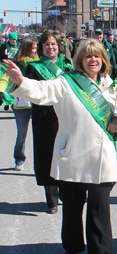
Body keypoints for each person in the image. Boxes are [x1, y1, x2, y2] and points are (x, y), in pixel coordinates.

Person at [2, 38, 117, 254]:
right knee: (73, 209)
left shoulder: (111, 85)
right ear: (80, 60)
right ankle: (73, 245)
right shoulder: (67, 82)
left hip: (102, 160)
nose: (93, 60)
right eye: (87, 56)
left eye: (97, 56)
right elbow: (43, 92)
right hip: (72, 156)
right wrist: (20, 81)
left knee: (99, 213)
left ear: (103, 60)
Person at [24, 30, 74, 214]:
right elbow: (31, 92)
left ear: (58, 46)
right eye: (46, 44)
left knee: (66, 153)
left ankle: (66, 191)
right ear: (41, 48)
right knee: (47, 155)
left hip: (66, 116)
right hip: (45, 118)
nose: (50, 47)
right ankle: (51, 198)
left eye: (53, 44)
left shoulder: (68, 65)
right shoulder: (34, 67)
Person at [0, 38, 38, 171]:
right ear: (27, 49)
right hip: (21, 105)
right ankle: (19, 159)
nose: (35, 51)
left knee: (40, 136)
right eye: (33, 48)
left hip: (38, 105)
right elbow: (5, 78)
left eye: (36, 48)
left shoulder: (38, 63)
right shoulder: (17, 64)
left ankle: (41, 164)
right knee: (22, 135)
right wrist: (0, 91)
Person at [0, 32, 19, 110]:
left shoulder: (19, 45)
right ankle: (6, 102)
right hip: (5, 67)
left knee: (13, 85)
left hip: (16, 67)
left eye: (14, 39)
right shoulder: (4, 46)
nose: (13, 41)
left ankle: (13, 102)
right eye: (11, 39)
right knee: (5, 84)